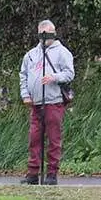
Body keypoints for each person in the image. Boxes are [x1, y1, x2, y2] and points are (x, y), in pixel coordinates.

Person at [19, 20, 74, 185]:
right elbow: (23, 75)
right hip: (36, 103)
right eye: (43, 34)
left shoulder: (62, 52)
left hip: (53, 102)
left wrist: (54, 77)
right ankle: (33, 173)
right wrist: (25, 95)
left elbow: (69, 73)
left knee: (53, 138)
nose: (46, 38)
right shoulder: (30, 55)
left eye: (49, 33)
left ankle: (51, 173)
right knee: (34, 138)